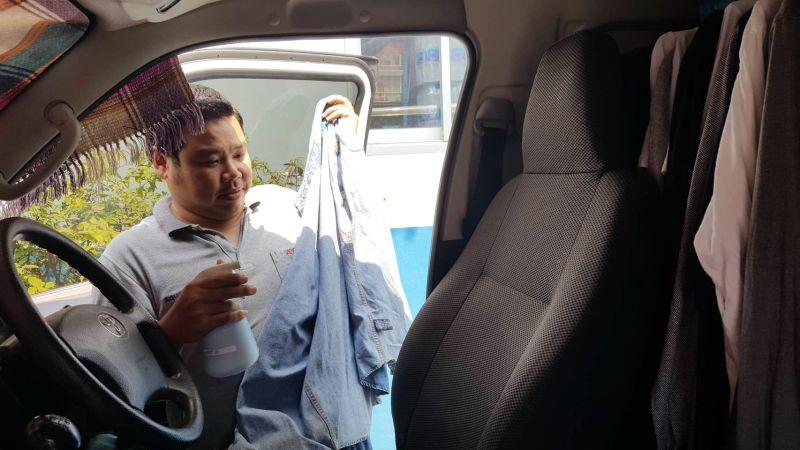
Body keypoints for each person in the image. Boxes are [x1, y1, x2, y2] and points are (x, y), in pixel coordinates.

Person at [92, 85, 359, 449]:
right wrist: (170, 333)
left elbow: (351, 240)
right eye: (210, 161)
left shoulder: (287, 210)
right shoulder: (129, 257)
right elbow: (111, 386)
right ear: (161, 162)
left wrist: (347, 146)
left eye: (239, 154)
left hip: (323, 435)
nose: (233, 173)